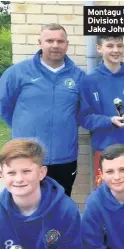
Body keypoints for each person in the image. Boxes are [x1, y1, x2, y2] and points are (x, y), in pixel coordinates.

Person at [0, 23, 84, 197]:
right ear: (40, 42)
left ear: (67, 44)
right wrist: (25, 127)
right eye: (50, 40)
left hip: (64, 157)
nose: (55, 45)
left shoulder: (78, 76)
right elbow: (5, 108)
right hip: (27, 157)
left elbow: (81, 112)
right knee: (25, 205)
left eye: (60, 41)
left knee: (60, 204)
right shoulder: (17, 73)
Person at [0, 139, 82, 249]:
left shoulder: (66, 209)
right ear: (1, 174)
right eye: (11, 172)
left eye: (26, 171)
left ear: (42, 172)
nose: (19, 179)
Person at [78, 35, 124, 187]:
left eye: (119, 45)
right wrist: (108, 121)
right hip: (105, 152)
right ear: (99, 49)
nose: (116, 50)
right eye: (110, 46)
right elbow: (84, 118)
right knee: (104, 200)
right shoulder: (89, 81)